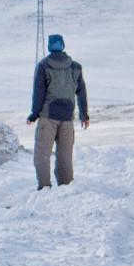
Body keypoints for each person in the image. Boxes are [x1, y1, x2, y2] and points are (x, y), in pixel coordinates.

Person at [27, 33, 89, 189]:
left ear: (49, 46)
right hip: (67, 117)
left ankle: (44, 186)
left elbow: (39, 95)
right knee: (65, 156)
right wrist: (84, 115)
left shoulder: (43, 66)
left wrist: (33, 116)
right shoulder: (75, 67)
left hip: (48, 116)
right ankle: (66, 187)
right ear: (63, 45)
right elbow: (81, 92)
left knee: (42, 154)